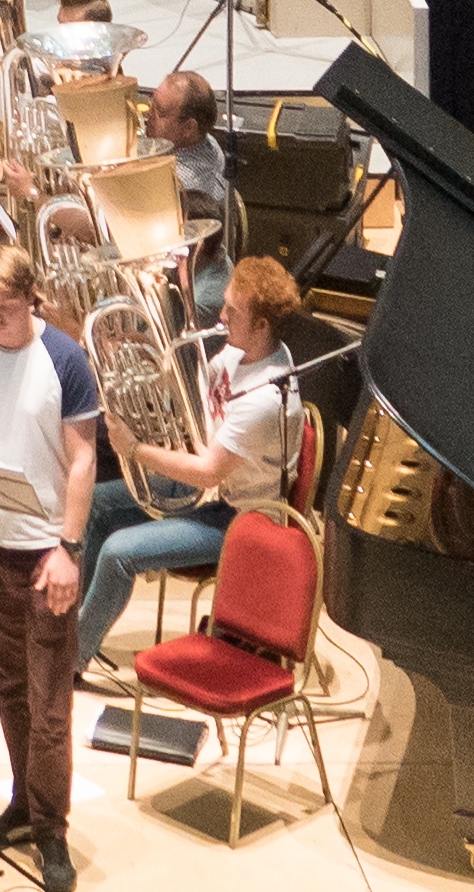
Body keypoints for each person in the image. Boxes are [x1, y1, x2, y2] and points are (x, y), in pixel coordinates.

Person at [0, 245, 102, 892]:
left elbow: (82, 460)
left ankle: (51, 829)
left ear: (32, 298)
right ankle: (21, 805)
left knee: (49, 704)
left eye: (6, 308)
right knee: (7, 687)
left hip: (45, 555)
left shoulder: (64, 359)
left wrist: (69, 546)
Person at [66, 256, 309, 678]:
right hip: (217, 491)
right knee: (97, 505)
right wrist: (139, 348)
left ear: (262, 326)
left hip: (241, 518)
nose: (221, 314)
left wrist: (136, 448)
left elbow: (207, 472)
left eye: (233, 311)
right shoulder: (243, 350)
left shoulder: (265, 399)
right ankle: (70, 630)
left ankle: (69, 660)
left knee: (119, 553)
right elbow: (191, 389)